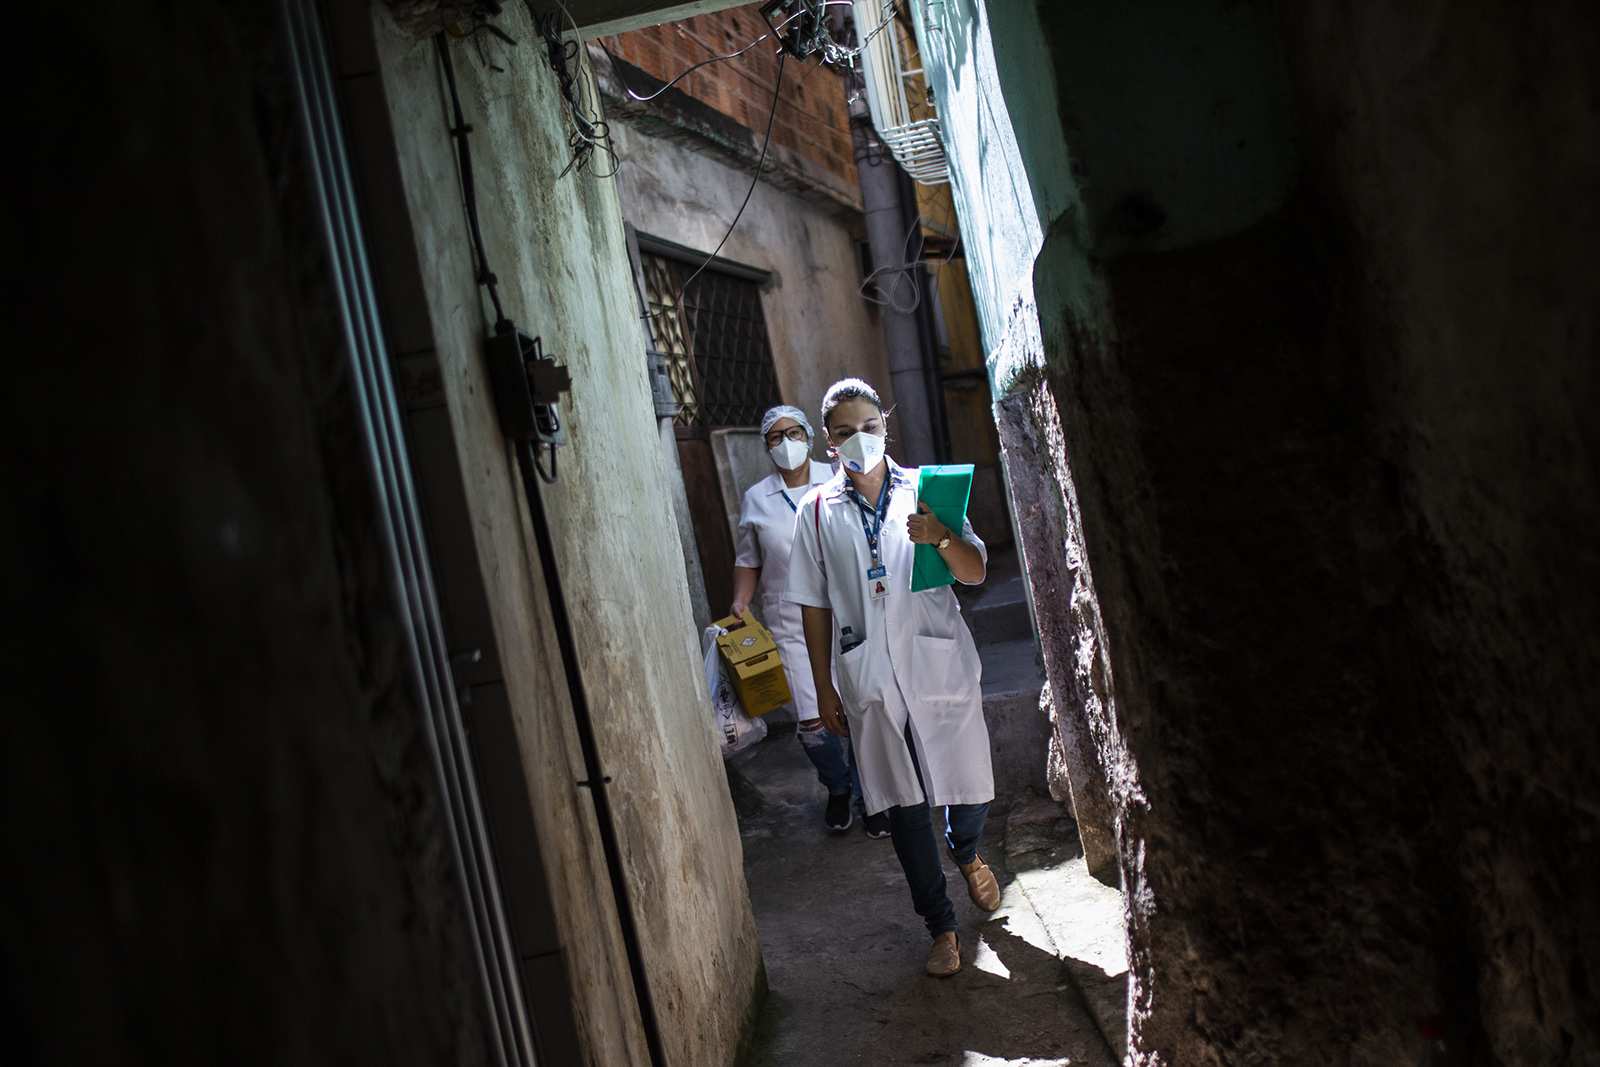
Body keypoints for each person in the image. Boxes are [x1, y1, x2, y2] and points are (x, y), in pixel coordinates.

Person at [783, 378, 1000, 979]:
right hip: (868, 675)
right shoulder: (817, 510)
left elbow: (976, 570)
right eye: (846, 432)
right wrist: (824, 687)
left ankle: (966, 849)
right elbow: (812, 603)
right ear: (829, 442)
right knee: (903, 803)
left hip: (936, 658)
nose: (860, 441)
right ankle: (941, 927)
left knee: (971, 785)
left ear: (887, 428)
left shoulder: (927, 490)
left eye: (869, 428)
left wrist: (941, 535)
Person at [731, 405, 865, 832]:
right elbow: (748, 560)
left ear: (810, 436)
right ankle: (839, 786)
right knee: (811, 719)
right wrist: (740, 603)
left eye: (794, 432)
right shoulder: (757, 498)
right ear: (766, 446)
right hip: (789, 621)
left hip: (851, 613)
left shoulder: (841, 477)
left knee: (862, 706)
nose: (786, 442)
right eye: (775, 436)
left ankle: (870, 795)